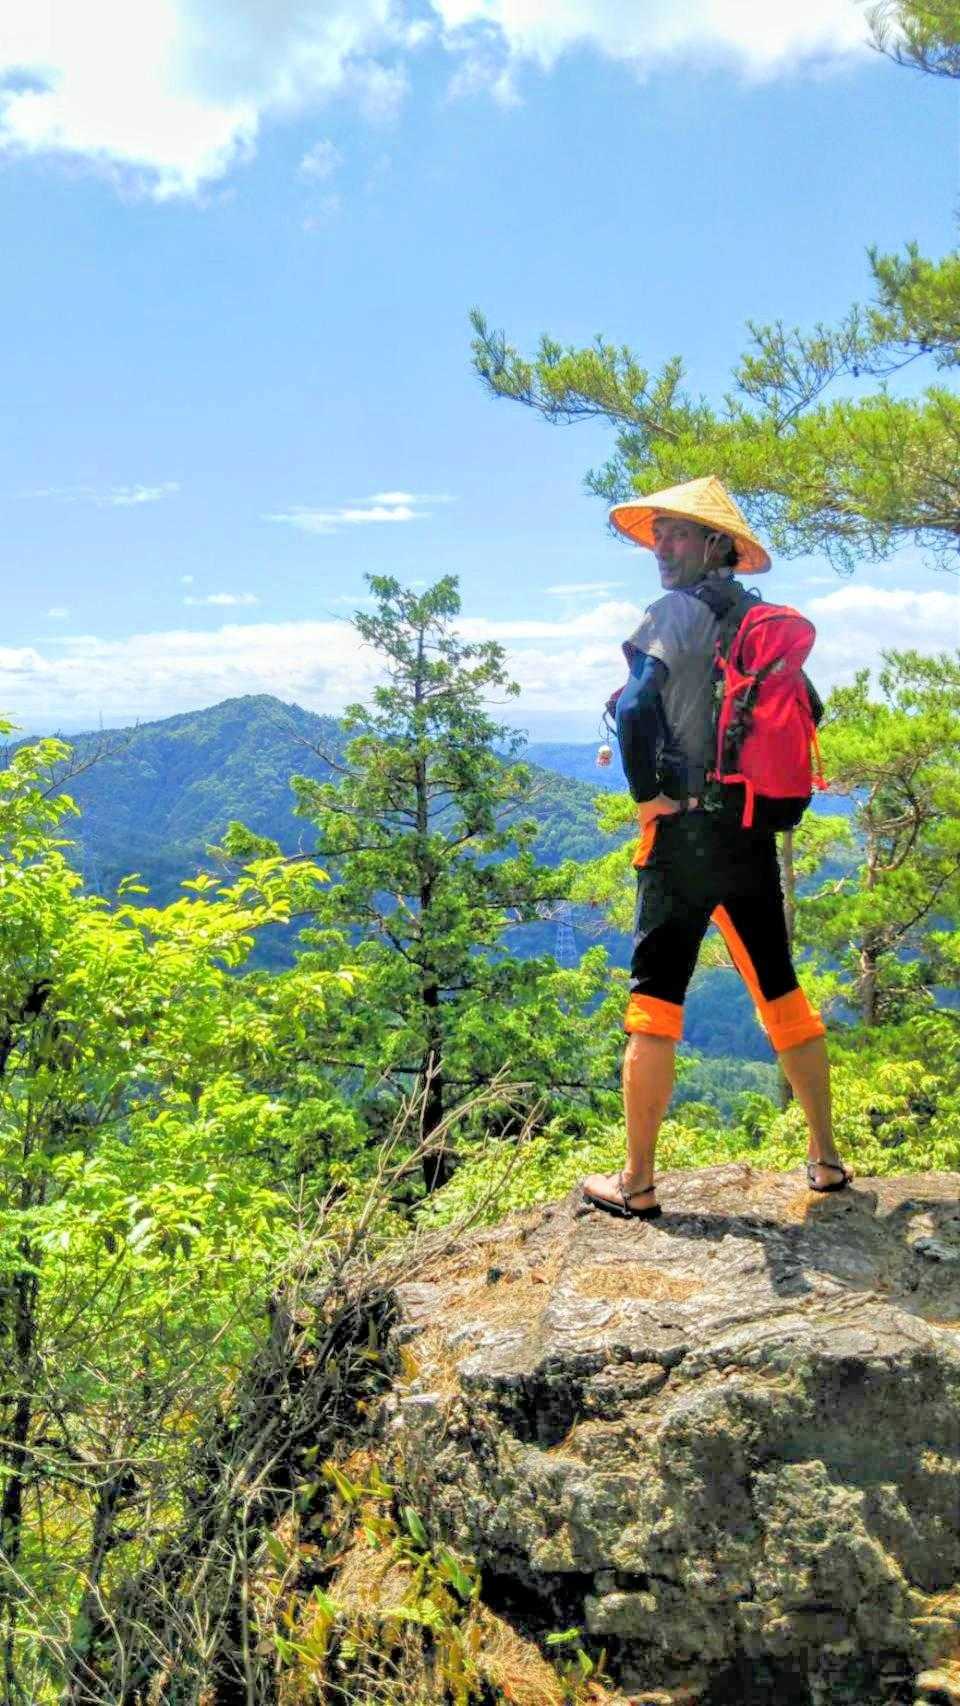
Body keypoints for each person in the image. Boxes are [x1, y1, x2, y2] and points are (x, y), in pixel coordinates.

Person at [581, 476, 850, 1220]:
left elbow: (639, 707)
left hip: (682, 835)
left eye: (676, 533)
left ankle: (637, 1182)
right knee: (781, 990)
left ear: (713, 544)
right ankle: (826, 1160)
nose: (661, 547)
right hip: (748, 832)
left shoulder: (672, 612)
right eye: (657, 533)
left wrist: (647, 796)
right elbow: (810, 709)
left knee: (654, 1000)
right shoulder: (757, 620)